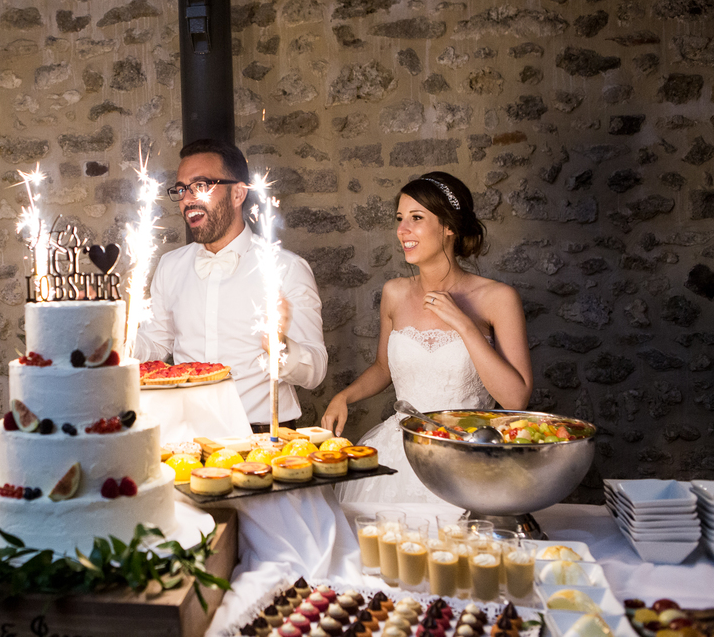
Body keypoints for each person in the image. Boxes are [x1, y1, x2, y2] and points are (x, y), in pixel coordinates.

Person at [322, 172, 533, 503]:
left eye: (416, 219)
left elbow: (516, 400)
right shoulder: (394, 293)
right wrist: (344, 397)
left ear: (449, 227)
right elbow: (383, 367)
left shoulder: (498, 298)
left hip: (468, 455)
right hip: (400, 450)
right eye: (400, 219)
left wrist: (464, 326)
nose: (402, 230)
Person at [135, 139, 328, 431]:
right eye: (182, 189)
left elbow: (316, 371)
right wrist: (109, 334)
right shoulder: (170, 266)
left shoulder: (286, 268)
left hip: (264, 435)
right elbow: (155, 344)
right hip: (187, 434)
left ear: (238, 193)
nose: (187, 199)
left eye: (200, 186)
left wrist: (278, 347)